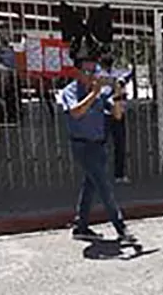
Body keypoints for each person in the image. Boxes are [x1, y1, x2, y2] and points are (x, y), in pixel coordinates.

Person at [58, 55, 136, 245]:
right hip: (82, 145)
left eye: (94, 71)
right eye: (87, 71)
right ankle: (121, 227)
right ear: (77, 73)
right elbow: (75, 113)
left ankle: (81, 225)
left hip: (98, 145)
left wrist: (117, 94)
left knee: (90, 185)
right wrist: (93, 94)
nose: (91, 75)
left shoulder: (100, 93)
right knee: (103, 186)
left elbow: (117, 115)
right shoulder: (70, 91)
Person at [98, 54, 130, 184]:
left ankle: (119, 174)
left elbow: (126, 76)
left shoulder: (118, 73)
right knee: (100, 145)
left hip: (118, 112)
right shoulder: (98, 74)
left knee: (120, 145)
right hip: (104, 114)